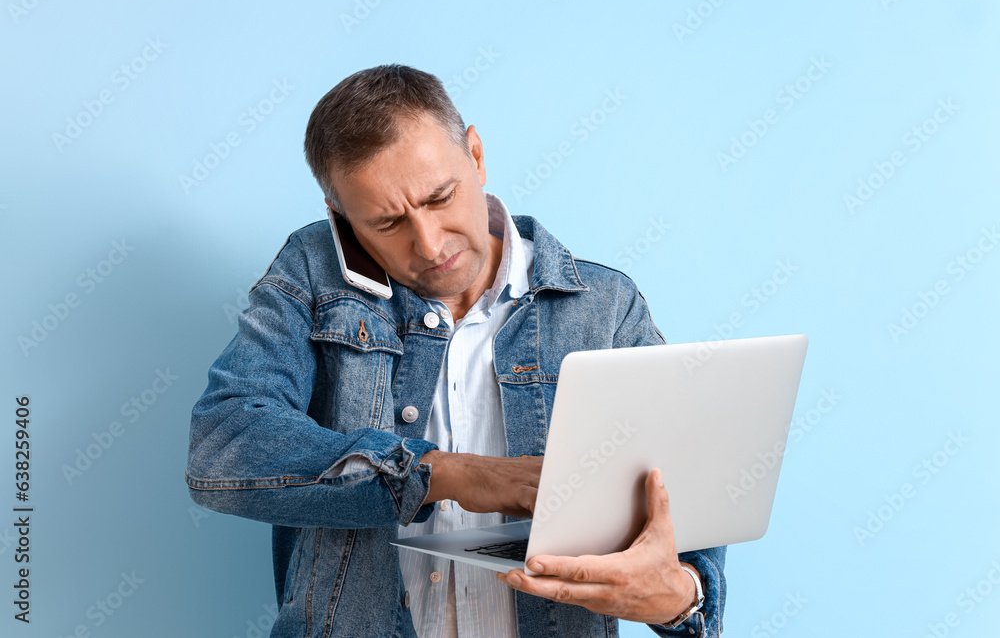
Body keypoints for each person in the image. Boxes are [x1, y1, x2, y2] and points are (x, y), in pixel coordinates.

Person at [186, 64, 726, 638]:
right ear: (340, 217)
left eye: (440, 197)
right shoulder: (313, 276)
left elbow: (687, 510)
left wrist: (679, 598)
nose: (430, 243)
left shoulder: (604, 306)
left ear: (475, 154)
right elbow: (224, 446)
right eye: (388, 222)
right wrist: (447, 474)